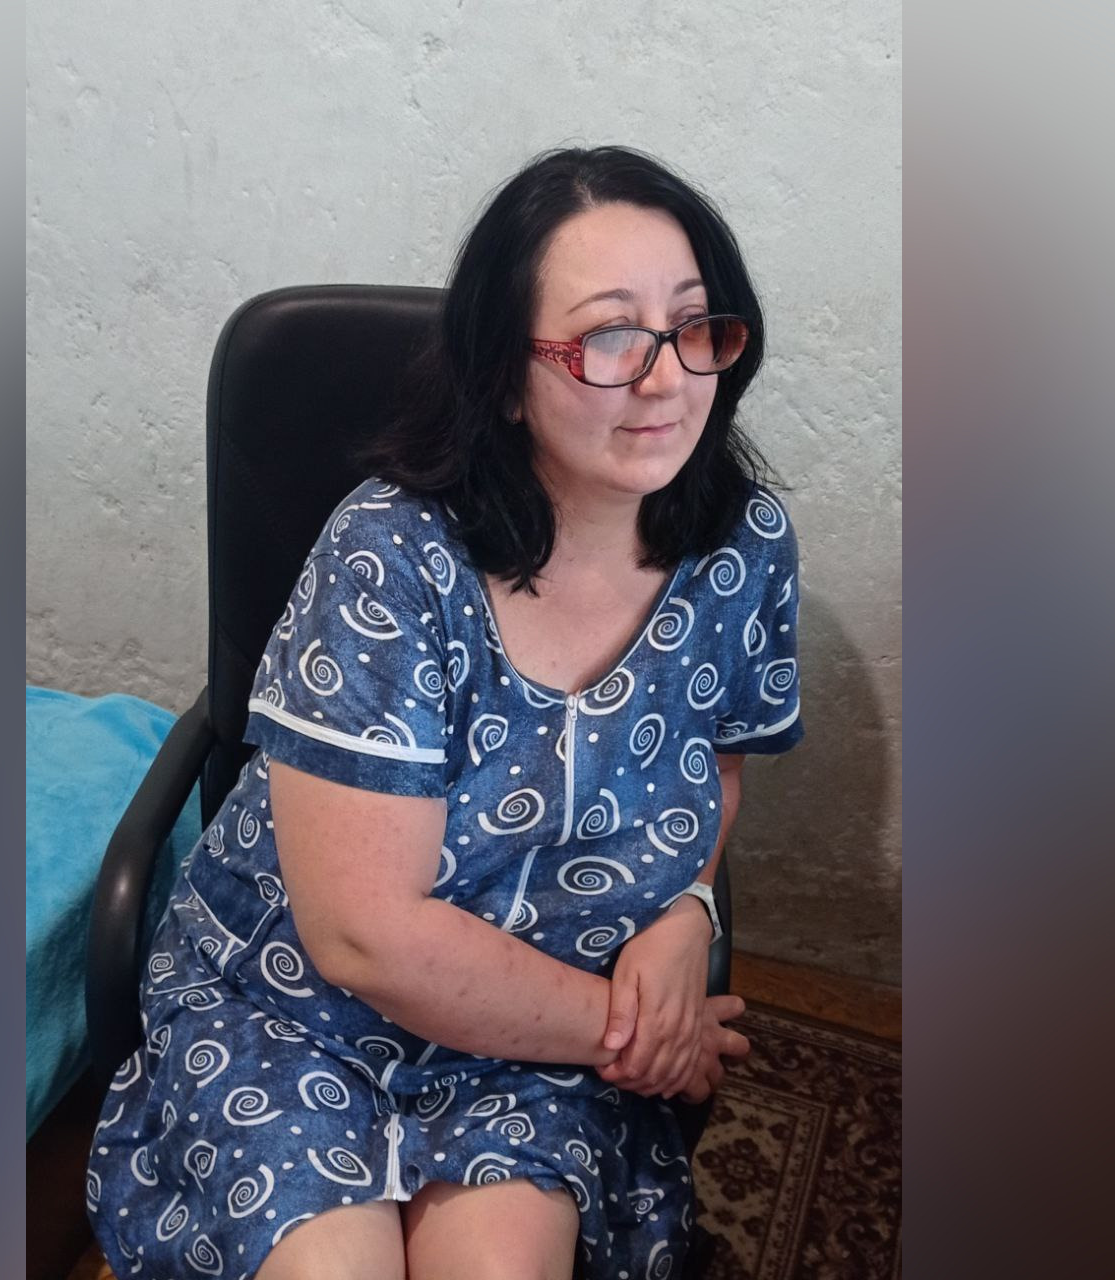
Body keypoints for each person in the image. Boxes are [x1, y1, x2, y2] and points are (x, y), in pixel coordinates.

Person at [88, 145, 804, 1280]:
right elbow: (363, 935)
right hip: (300, 1003)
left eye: (693, 326)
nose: (667, 378)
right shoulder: (391, 558)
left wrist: (688, 905)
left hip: (534, 1019)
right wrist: (640, 1035)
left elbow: (712, 752)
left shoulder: (744, 545)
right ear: (507, 378)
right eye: (611, 337)